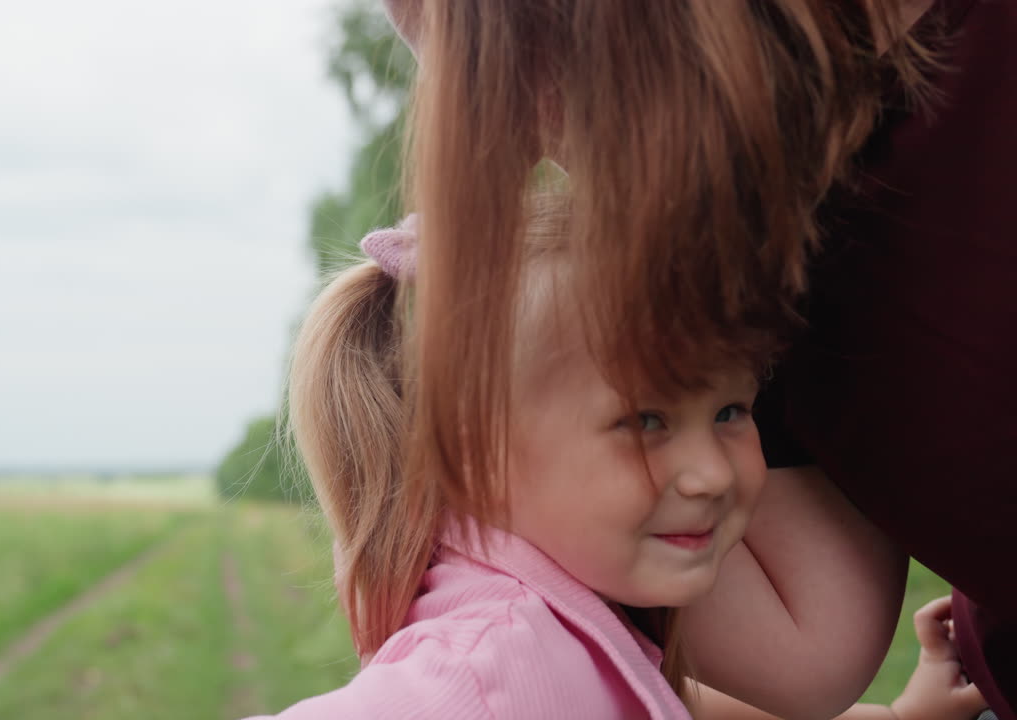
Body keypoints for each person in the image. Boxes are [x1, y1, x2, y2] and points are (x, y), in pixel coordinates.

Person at [380, 1, 1016, 717]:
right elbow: (809, 651)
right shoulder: (724, 253)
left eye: (526, 80)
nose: (542, 146)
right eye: (648, 419)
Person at [245, 212, 986, 719]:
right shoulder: (490, 661)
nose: (710, 474)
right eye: (646, 423)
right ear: (473, 449)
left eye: (732, 411)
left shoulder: (572, 622)